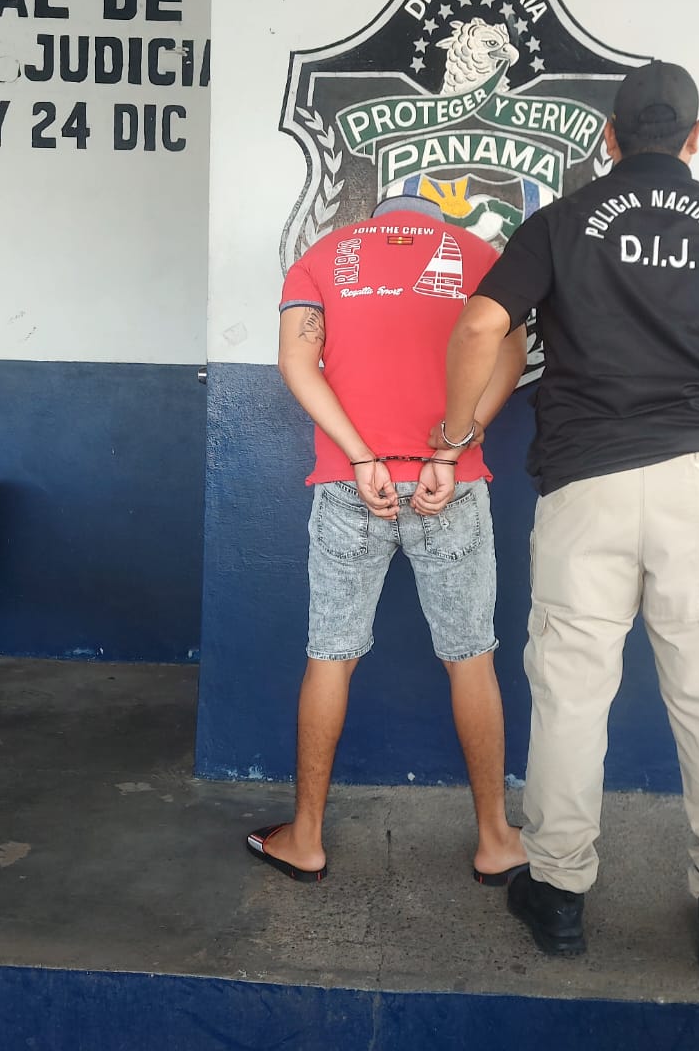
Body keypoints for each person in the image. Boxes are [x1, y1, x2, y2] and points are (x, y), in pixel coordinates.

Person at [431, 62, 699, 973]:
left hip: (585, 486)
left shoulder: (561, 224)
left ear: (609, 137)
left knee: (571, 694)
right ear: (694, 137)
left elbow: (480, 326)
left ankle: (559, 894)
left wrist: (453, 431)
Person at [246, 194, 530, 887]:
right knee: (472, 660)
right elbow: (510, 355)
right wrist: (450, 450)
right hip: (450, 483)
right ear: (434, 221)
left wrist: (359, 455)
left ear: (374, 221)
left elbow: (296, 363)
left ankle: (305, 839)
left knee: (330, 656)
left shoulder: (321, 259)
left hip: (352, 484)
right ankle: (496, 840)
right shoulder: (481, 257)